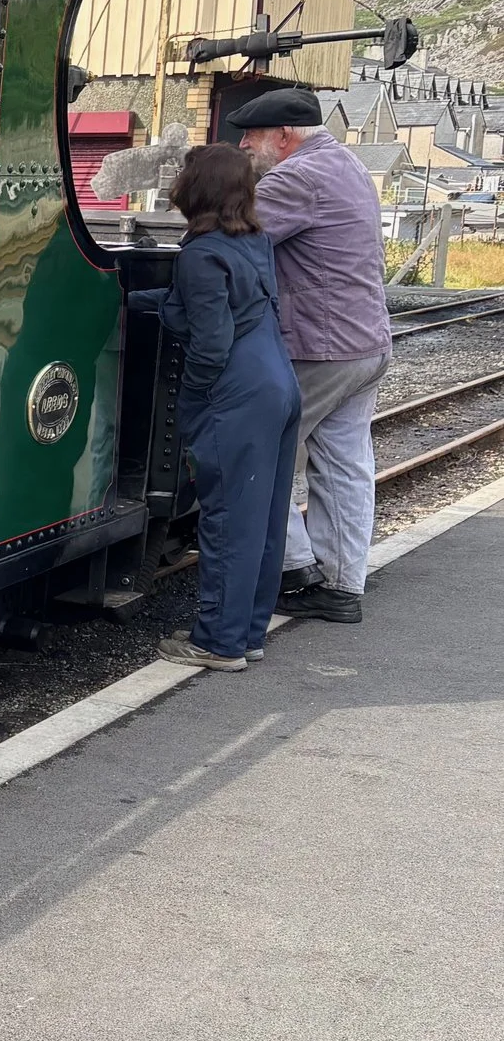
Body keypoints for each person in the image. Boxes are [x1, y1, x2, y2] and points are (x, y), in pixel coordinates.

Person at [131, 142, 301, 670]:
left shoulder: (201, 252)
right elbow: (229, 306)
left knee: (227, 519)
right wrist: (145, 302)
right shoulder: (255, 240)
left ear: (195, 189)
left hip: (238, 392)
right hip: (278, 381)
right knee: (264, 517)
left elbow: (211, 340)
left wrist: (198, 398)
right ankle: (246, 633)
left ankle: (218, 642)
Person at [230, 87, 392, 623]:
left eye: (250, 136)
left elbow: (239, 236)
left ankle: (295, 569)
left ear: (283, 136)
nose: (244, 146)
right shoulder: (345, 162)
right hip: (364, 342)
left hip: (320, 348)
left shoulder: (296, 177)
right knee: (344, 465)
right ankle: (343, 587)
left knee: (256, 454)